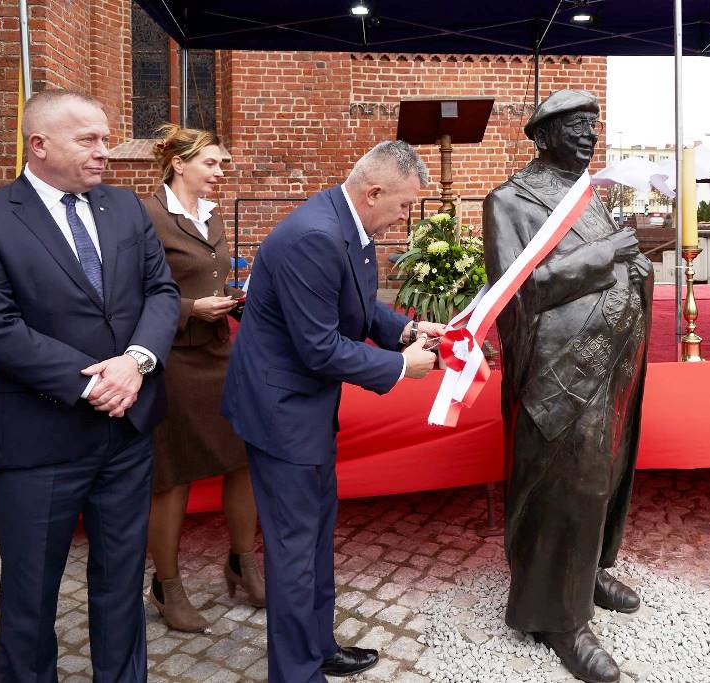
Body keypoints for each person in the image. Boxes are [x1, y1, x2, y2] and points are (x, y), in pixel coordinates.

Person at [0, 90, 180, 681]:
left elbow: (161, 291)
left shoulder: (124, 206)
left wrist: (136, 362)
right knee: (30, 595)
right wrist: (90, 384)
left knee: (121, 583)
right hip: (40, 440)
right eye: (88, 140)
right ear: (39, 145)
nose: (104, 152)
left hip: (127, 435)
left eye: (106, 139)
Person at [221, 140, 443, 683]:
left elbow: (359, 309)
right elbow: (318, 347)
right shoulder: (315, 237)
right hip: (281, 412)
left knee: (315, 537)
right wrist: (400, 367)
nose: (406, 217)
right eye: (404, 205)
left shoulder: (350, 226)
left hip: (307, 409)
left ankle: (317, 647)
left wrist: (409, 330)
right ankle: (296, 672)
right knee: (294, 549)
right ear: (374, 192)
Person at [483, 90, 653, 683]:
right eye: (575, 125)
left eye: (592, 125)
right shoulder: (510, 201)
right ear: (542, 135)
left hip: (612, 360)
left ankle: (587, 571)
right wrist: (608, 254)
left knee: (605, 472)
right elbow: (518, 290)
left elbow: (613, 262)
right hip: (558, 372)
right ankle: (559, 617)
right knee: (567, 485)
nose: (588, 135)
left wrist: (634, 267)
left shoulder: (586, 194)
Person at [141, 123, 264, 633]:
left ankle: (242, 563)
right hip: (174, 361)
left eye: (221, 164)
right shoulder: (148, 216)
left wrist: (237, 299)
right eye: (211, 163)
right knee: (174, 476)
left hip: (219, 354)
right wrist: (192, 308)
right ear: (179, 164)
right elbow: (136, 293)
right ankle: (166, 586)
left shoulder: (211, 216)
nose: (219, 172)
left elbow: (210, 276)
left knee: (243, 459)